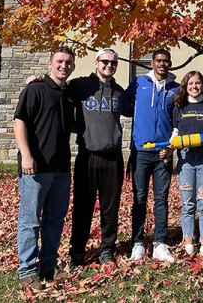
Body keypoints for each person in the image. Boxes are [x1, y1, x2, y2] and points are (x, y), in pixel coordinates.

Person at [14, 47, 75, 289]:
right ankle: (27, 271)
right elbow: (20, 123)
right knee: (30, 220)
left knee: (55, 219)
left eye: (68, 62)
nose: (64, 66)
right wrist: (26, 155)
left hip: (61, 168)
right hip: (36, 168)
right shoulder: (35, 89)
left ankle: (48, 266)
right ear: (50, 64)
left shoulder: (69, 95)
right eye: (60, 61)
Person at [68, 48, 131, 268]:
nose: (108, 66)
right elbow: (56, 89)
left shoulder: (120, 93)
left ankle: (107, 250)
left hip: (112, 157)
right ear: (96, 62)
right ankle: (77, 252)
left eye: (113, 63)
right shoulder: (80, 86)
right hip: (88, 156)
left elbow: (137, 109)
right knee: (83, 207)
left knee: (110, 208)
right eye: (104, 61)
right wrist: (36, 80)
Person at [126, 49, 179, 263]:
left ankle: (160, 243)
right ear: (152, 63)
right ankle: (138, 243)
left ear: (170, 63)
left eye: (166, 61)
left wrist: (173, 145)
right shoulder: (139, 84)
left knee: (161, 199)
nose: (162, 64)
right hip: (140, 151)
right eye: (158, 61)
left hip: (163, 152)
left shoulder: (176, 89)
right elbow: (123, 105)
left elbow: (179, 118)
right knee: (139, 198)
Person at [172, 71, 203, 256]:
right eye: (191, 83)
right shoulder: (179, 107)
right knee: (188, 204)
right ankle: (188, 243)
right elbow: (174, 134)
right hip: (186, 159)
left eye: (198, 83)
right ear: (185, 86)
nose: (195, 86)